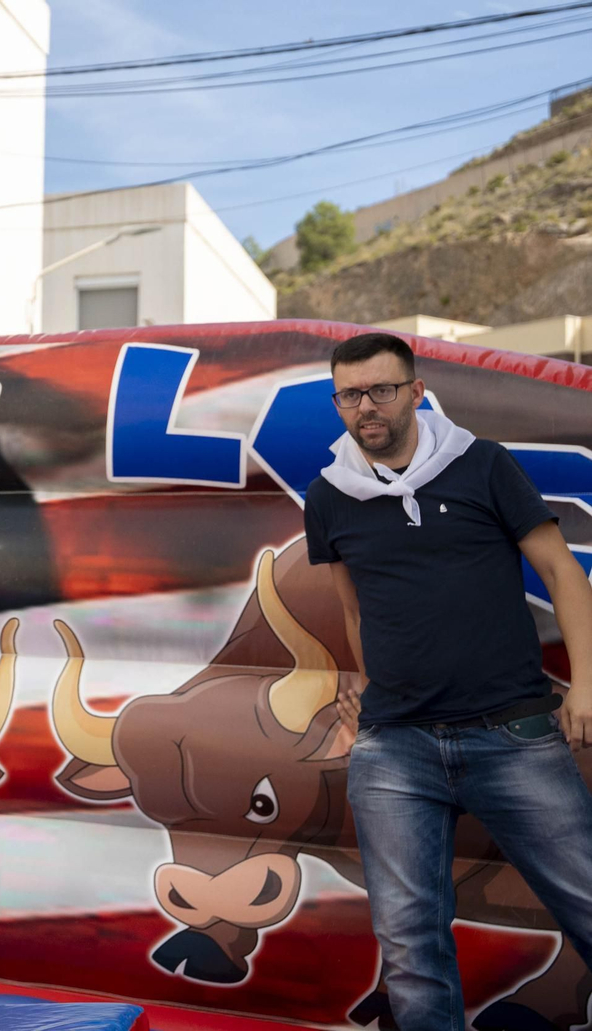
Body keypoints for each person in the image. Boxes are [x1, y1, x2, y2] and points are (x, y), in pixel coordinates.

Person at [303, 332, 592, 1029]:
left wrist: (585, 684)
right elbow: (352, 606)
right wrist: (368, 693)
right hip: (394, 749)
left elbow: (561, 571)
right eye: (350, 394)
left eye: (381, 389)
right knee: (410, 947)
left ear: (416, 391)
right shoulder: (329, 494)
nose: (366, 406)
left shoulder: (482, 465)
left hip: (513, 733)